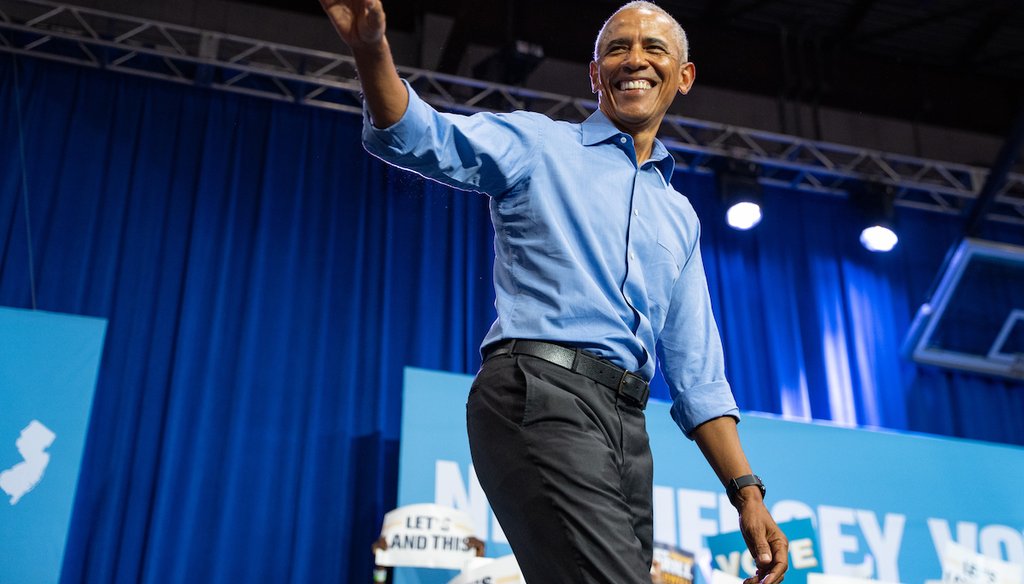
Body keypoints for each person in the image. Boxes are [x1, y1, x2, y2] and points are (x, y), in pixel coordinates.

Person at [319, 1, 789, 582]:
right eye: (617, 48)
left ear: (684, 76)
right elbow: (418, 135)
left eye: (653, 48)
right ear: (595, 75)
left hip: (627, 430)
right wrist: (371, 49)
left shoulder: (680, 217)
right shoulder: (539, 144)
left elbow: (698, 374)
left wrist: (746, 492)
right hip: (540, 395)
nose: (634, 60)